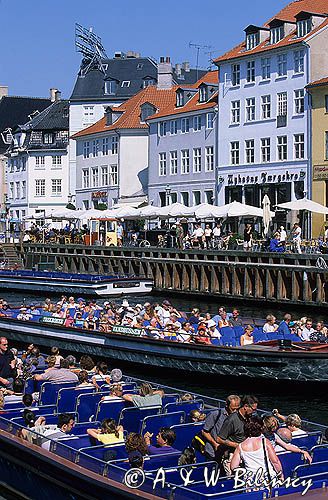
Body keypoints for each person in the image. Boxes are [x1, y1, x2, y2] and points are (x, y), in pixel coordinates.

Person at [231, 418, 283, 482]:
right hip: (267, 477)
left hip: (250, 479)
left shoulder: (240, 446)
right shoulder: (265, 442)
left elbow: (233, 467)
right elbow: (275, 462)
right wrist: (281, 475)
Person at [216, 395, 259, 474]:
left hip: (247, 455)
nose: (254, 412)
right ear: (246, 406)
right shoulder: (231, 420)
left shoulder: (250, 418)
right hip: (232, 455)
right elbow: (219, 439)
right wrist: (237, 445)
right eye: (253, 410)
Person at [202, 395, 241, 460]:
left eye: (237, 409)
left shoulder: (237, 417)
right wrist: (214, 444)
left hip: (229, 452)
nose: (235, 411)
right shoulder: (215, 414)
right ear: (226, 405)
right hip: (213, 451)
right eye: (233, 409)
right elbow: (204, 432)